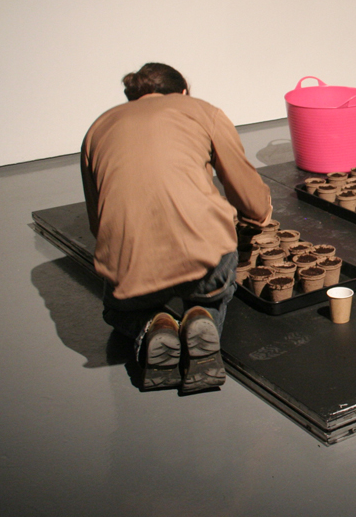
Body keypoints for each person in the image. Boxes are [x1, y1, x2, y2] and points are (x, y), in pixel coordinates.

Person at [81, 63, 272, 394]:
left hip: (131, 267)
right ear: (183, 91)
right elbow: (248, 195)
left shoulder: (98, 127)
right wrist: (256, 221)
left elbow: (99, 222)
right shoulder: (202, 111)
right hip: (204, 258)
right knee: (214, 290)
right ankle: (203, 315)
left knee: (117, 310)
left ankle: (153, 325)